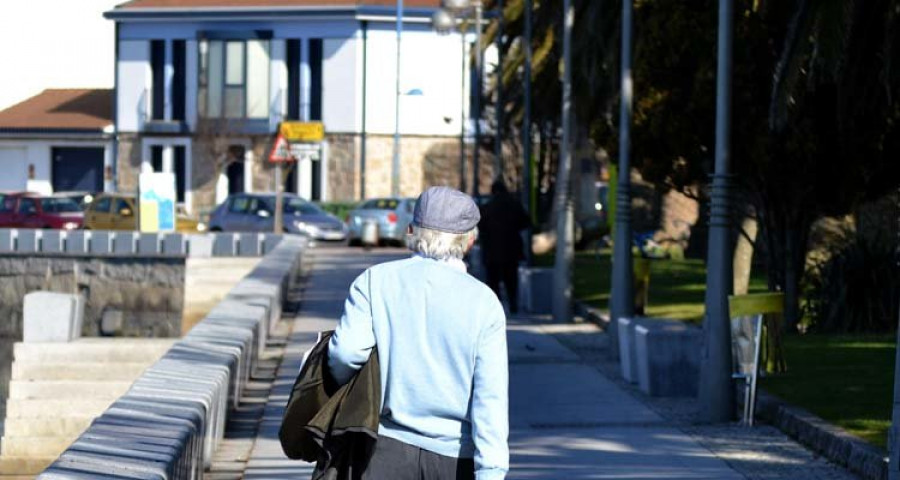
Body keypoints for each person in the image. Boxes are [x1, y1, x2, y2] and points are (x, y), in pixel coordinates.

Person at [328, 186, 509, 480]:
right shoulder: (484, 302)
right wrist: (492, 471)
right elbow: (490, 398)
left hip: (384, 449)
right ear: (470, 242)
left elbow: (345, 353)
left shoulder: (375, 281)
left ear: (411, 230)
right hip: (454, 458)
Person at [478, 180, 531, 313]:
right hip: (511, 250)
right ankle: (513, 304)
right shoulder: (515, 205)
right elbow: (526, 222)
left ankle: (495, 307)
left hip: (491, 250)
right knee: (511, 279)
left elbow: (480, 226)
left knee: (493, 280)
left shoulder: (487, 207)